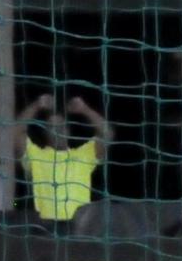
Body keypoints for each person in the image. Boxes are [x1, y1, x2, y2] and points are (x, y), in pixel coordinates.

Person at [17, 93, 113, 229]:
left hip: (80, 227)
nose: (57, 130)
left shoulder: (84, 154)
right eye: (52, 127)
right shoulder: (36, 155)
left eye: (61, 126)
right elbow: (17, 131)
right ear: (45, 133)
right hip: (47, 228)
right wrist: (36, 105)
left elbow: (107, 133)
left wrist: (84, 109)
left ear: (68, 130)